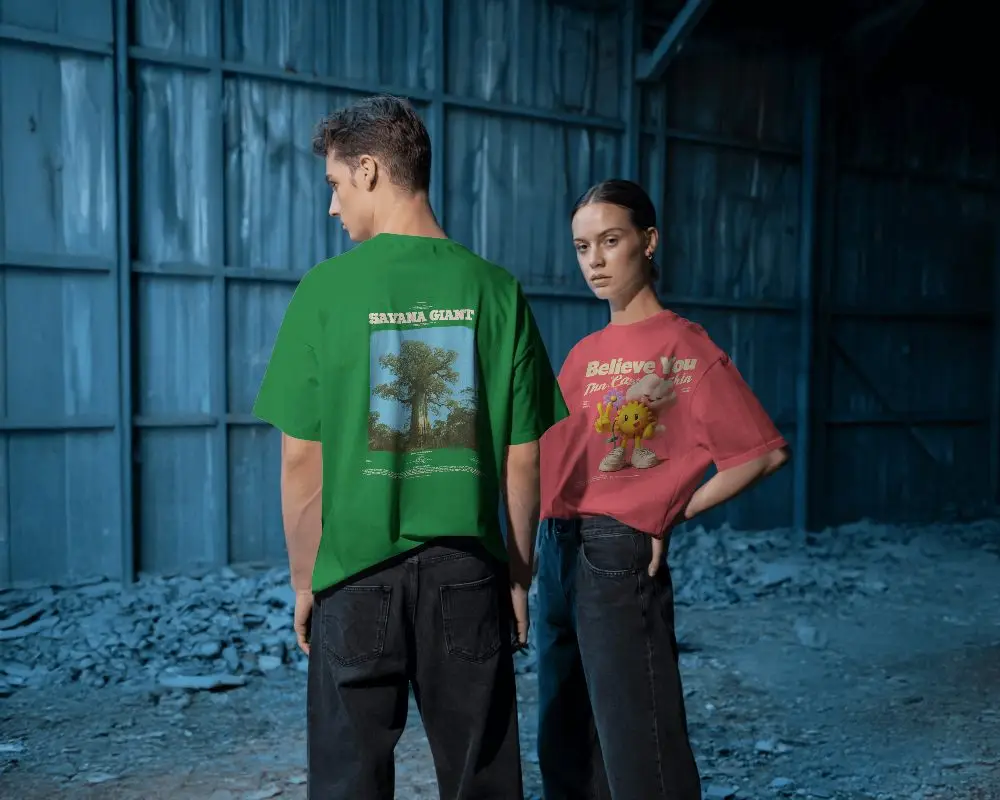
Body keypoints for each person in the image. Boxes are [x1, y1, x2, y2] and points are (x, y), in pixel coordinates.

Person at [252, 94, 567, 800]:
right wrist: (517, 577)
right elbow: (523, 457)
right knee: (480, 777)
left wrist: (306, 581)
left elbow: (303, 457)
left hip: (355, 579)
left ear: (368, 171)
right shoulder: (498, 291)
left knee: (348, 781)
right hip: (466, 576)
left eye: (334, 185)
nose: (332, 208)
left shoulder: (325, 291)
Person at [535, 179, 791, 799]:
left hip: (617, 553)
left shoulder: (685, 346)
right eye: (581, 246)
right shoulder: (583, 354)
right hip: (557, 551)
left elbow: (762, 454)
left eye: (610, 240)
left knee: (637, 739)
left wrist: (670, 513)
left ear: (648, 242)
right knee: (564, 740)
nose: (594, 260)